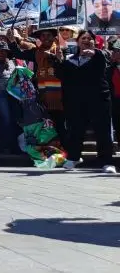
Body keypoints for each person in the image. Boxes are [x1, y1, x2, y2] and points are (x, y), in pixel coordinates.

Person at [54, 30, 115, 173]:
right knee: (75, 130)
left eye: (89, 38)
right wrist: (59, 61)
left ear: (94, 41)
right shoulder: (70, 59)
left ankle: (107, 162)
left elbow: (103, 60)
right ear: (78, 42)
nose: (86, 40)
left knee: (103, 131)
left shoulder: (100, 55)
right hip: (77, 102)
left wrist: (94, 53)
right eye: (83, 38)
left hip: (99, 100)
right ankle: (74, 157)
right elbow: (62, 76)